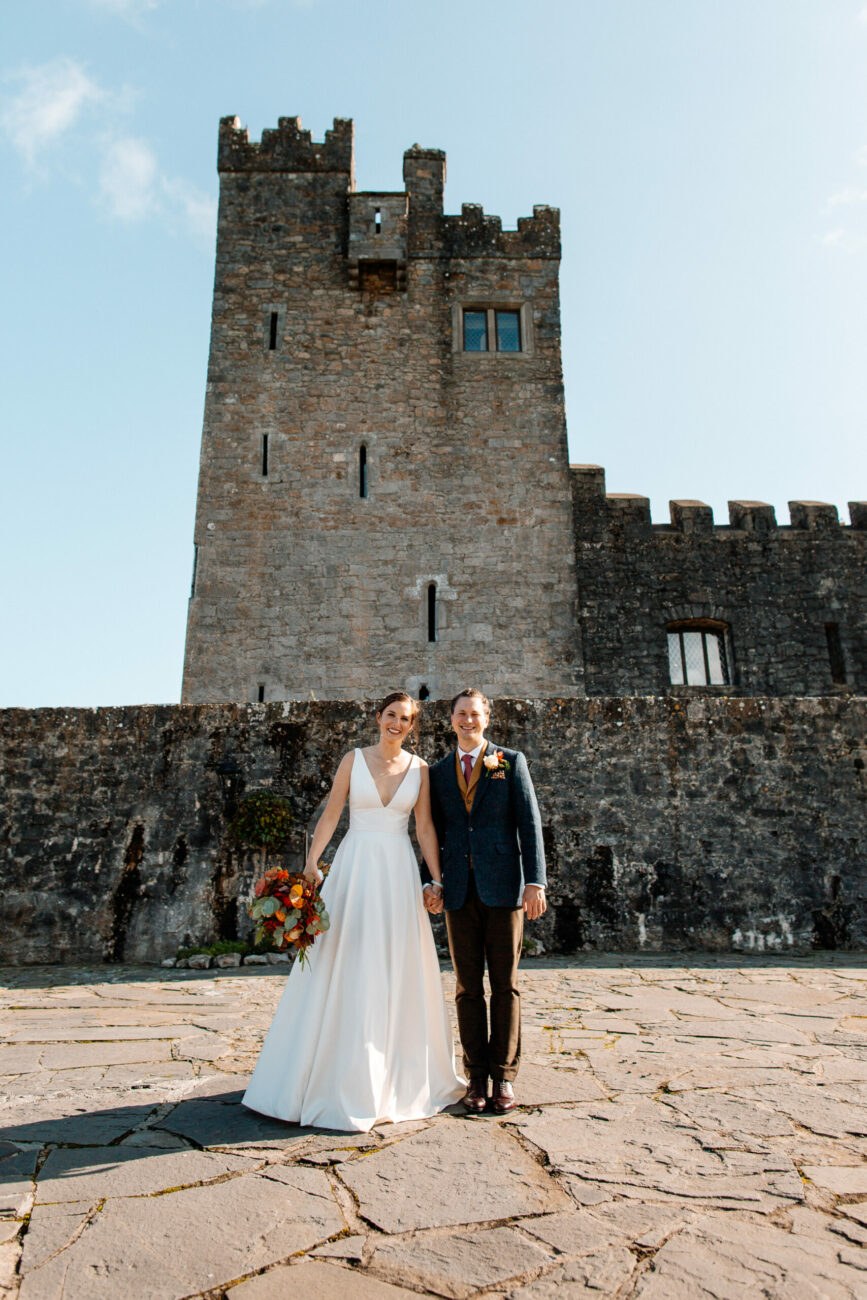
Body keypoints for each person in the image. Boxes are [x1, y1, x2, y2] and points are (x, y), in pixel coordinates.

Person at [243, 692, 465, 1132]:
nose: (397, 724)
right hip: (355, 866)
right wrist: (310, 862)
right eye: (391, 716)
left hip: (397, 873)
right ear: (377, 718)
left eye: (405, 719)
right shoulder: (354, 759)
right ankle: (325, 1076)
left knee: (393, 962)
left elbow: (424, 828)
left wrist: (437, 880)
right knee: (344, 959)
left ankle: (390, 1076)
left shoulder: (419, 768)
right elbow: (331, 813)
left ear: (413, 727)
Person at [424, 689, 546, 1114]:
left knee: (506, 985)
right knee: (467, 987)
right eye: (461, 714)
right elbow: (429, 832)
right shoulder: (437, 773)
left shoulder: (510, 762)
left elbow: (529, 824)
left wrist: (536, 882)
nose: (468, 721)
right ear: (451, 719)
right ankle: (476, 1076)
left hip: (505, 888)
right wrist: (431, 882)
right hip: (458, 892)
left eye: (475, 714)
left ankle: (504, 1077)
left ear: (487, 718)